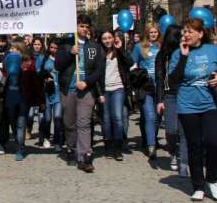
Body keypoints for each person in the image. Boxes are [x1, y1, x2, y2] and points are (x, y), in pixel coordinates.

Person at [168, 17, 217, 201]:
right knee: (194, 145)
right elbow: (173, 80)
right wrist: (184, 57)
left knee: (214, 142)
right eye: (184, 31)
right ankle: (198, 185)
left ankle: (212, 179)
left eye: (190, 31)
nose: (185, 34)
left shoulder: (213, 50)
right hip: (188, 106)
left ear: (200, 34)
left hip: (210, 104)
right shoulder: (178, 53)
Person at [54, 14, 104, 173]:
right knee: (69, 122)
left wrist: (87, 82)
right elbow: (58, 65)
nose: (84, 29)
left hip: (86, 90)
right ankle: (70, 147)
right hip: (68, 89)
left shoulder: (94, 47)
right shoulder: (66, 45)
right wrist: (70, 54)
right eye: (81, 26)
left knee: (84, 122)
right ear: (76, 27)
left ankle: (84, 156)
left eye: (86, 26)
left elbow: (99, 70)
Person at [156, 25, 187, 176]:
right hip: (169, 95)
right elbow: (159, 78)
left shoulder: (185, 52)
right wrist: (159, 99)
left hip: (185, 94)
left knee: (184, 130)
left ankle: (183, 159)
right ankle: (173, 152)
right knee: (171, 129)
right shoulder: (162, 56)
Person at [131, 24, 161, 158]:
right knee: (150, 116)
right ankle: (151, 146)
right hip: (145, 86)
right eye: (151, 32)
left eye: (155, 32)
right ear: (147, 33)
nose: (153, 34)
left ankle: (150, 137)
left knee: (157, 117)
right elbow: (132, 64)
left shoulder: (162, 46)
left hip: (160, 86)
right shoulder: (139, 47)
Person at [100, 30, 130, 161]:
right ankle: (108, 147)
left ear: (113, 38)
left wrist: (121, 50)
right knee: (106, 119)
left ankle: (118, 148)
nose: (107, 40)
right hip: (104, 89)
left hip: (118, 87)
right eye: (104, 38)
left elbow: (130, 63)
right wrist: (99, 92)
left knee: (117, 117)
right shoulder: (99, 54)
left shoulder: (119, 52)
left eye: (109, 37)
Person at [3, 41, 36, 160]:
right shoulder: (7, 60)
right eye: (11, 48)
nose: (12, 50)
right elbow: (3, 75)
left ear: (21, 50)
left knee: (21, 123)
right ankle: (18, 142)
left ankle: (20, 148)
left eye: (14, 49)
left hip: (23, 97)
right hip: (10, 96)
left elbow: (33, 82)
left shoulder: (29, 64)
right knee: (12, 122)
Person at [37, 38, 62, 149]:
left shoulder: (62, 59)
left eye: (56, 48)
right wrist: (45, 78)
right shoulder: (43, 58)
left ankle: (57, 141)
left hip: (59, 92)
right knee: (47, 118)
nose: (54, 50)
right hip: (47, 92)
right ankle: (46, 137)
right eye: (52, 47)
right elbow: (38, 73)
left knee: (57, 117)